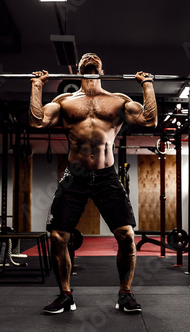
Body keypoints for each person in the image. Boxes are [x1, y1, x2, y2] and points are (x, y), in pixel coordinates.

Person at [29, 53, 157, 314]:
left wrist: (147, 85)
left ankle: (125, 293)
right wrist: (36, 86)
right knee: (58, 236)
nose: (89, 57)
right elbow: (37, 120)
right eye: (85, 58)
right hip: (74, 175)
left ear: (101, 68)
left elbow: (149, 120)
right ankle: (65, 295)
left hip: (106, 176)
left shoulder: (118, 100)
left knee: (126, 235)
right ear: (78, 70)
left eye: (94, 57)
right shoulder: (64, 102)